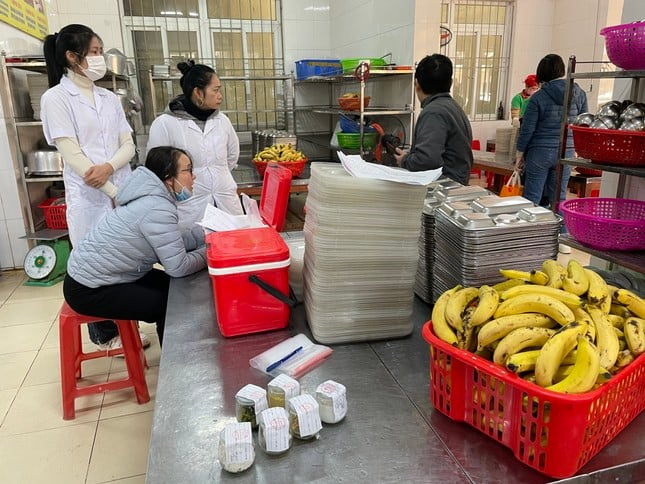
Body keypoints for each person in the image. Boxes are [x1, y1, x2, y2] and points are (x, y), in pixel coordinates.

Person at [40, 24, 148, 350]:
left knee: (125, 261)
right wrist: (111, 188)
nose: (100, 58)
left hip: (118, 186)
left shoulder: (108, 98)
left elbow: (127, 145)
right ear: (73, 57)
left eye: (100, 51)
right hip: (90, 198)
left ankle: (128, 325)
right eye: (96, 52)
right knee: (96, 266)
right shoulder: (56, 98)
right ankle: (106, 335)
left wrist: (110, 169)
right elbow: (70, 152)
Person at [63, 146, 207, 347]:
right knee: (170, 303)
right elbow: (179, 267)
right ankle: (177, 366)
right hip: (89, 289)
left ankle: (178, 352)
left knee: (174, 290)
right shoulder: (157, 207)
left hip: (102, 276)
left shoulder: (150, 198)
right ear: (168, 178)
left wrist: (206, 234)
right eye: (187, 170)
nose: (194, 177)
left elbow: (170, 242)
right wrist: (210, 252)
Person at [147, 60, 243, 231]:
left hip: (225, 198)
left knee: (232, 247)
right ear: (198, 92)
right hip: (189, 206)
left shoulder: (222, 121)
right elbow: (157, 168)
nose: (220, 95)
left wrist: (215, 175)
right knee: (196, 253)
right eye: (215, 90)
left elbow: (232, 155)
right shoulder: (165, 123)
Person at [516, 54, 588, 210]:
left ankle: (530, 232)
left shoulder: (538, 98)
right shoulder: (579, 94)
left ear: (541, 73)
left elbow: (527, 129)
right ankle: (560, 233)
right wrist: (576, 149)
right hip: (566, 153)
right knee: (559, 198)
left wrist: (519, 154)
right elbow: (583, 125)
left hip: (539, 153)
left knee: (532, 198)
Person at [394, 54, 473, 185]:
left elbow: (427, 160)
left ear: (417, 84)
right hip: (456, 182)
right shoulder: (453, 107)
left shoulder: (433, 112)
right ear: (451, 82)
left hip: (443, 186)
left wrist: (404, 160)